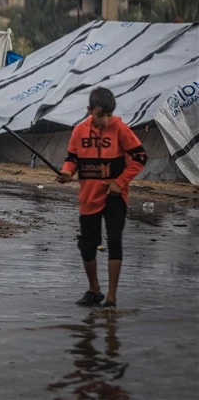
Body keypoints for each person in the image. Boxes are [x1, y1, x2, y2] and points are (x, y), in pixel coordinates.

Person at [57, 87, 147, 309]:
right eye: (100, 115)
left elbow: (140, 157)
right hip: (88, 196)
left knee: (115, 241)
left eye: (109, 114)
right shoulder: (78, 131)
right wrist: (67, 173)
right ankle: (94, 290)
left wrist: (121, 181)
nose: (105, 120)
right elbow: (72, 160)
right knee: (87, 246)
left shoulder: (120, 129)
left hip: (115, 196)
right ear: (89, 110)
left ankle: (112, 297)